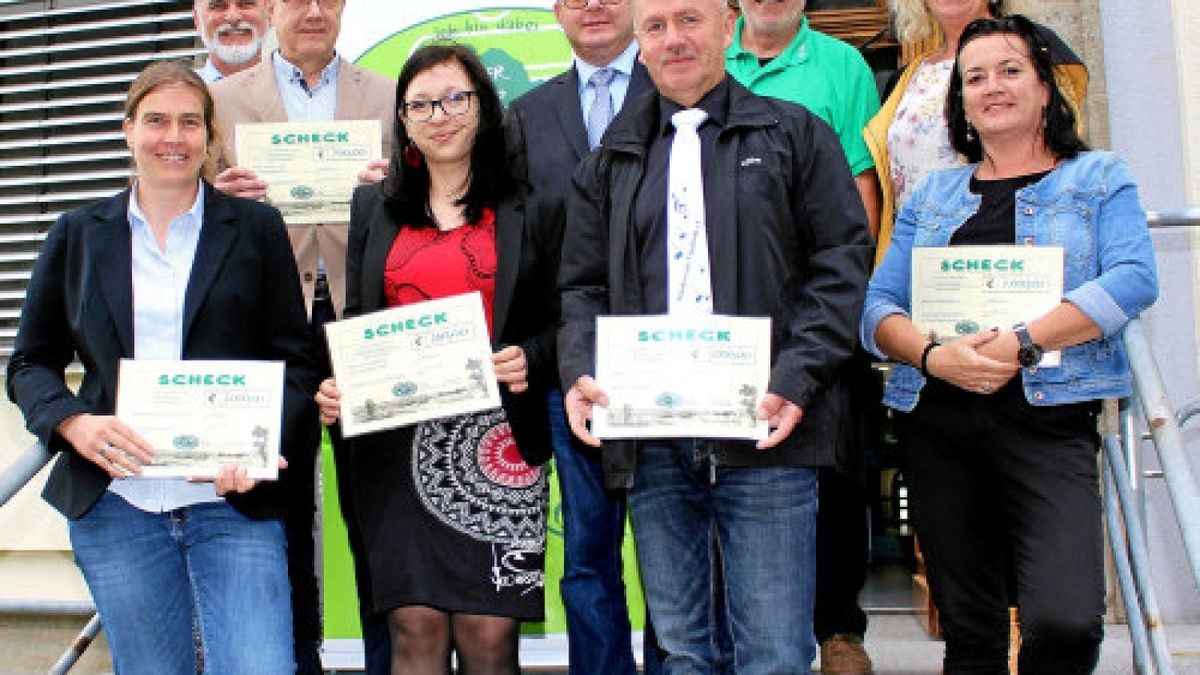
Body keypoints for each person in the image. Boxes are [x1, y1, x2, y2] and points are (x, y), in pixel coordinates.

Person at [557, 0, 872, 670]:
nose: (674, 39)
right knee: (681, 647)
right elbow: (581, 286)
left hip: (768, 432)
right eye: (656, 26)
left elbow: (842, 260)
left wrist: (797, 376)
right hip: (653, 439)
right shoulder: (612, 158)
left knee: (775, 650)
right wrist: (581, 368)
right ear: (638, 44)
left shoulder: (795, 135)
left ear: (727, 29)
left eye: (690, 19)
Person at [860, 15, 1158, 673]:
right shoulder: (933, 195)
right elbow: (878, 308)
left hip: (1050, 418)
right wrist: (935, 355)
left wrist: (1022, 342)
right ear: (960, 100)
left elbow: (1134, 278)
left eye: (1010, 70)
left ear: (1046, 87)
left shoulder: (1098, 178)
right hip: (939, 421)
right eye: (974, 77)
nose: (991, 86)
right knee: (971, 631)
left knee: (1067, 620)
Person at [5, 60, 318, 674]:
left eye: (188, 123)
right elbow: (31, 363)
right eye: (155, 121)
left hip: (232, 503)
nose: (172, 137)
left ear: (209, 136)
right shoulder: (76, 235)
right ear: (128, 131)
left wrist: (258, 448)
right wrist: (73, 423)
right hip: (119, 505)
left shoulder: (255, 229)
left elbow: (296, 361)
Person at [314, 43, 557, 674]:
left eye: (455, 97)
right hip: (395, 443)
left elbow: (570, 316)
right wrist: (339, 383)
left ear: (483, 105)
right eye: (420, 103)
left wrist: (532, 356)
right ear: (403, 119)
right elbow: (360, 318)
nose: (439, 114)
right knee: (413, 630)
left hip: (499, 443)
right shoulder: (373, 206)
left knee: (487, 633)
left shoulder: (535, 205)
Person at [209, 0, 396, 670]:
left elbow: (429, 200)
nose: (313, 10)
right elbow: (166, 195)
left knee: (378, 517)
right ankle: (296, 660)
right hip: (267, 330)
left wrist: (394, 188)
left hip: (364, 321)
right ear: (271, 9)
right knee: (276, 513)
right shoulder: (218, 100)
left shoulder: (390, 93)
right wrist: (216, 192)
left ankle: (388, 661)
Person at [505, 1, 661, 672]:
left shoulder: (680, 90)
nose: (593, 5)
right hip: (572, 368)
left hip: (672, 366)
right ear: (556, 12)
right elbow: (515, 245)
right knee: (588, 557)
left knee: (673, 551)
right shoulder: (527, 115)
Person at [724, 2, 880, 671]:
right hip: (721, 325)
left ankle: (839, 629)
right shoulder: (699, 52)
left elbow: (861, 187)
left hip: (811, 310)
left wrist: (842, 302)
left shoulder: (842, 65)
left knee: (836, 474)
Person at [863, 0, 1086, 265]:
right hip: (922, 258)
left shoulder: (1034, 49)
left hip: (1010, 254)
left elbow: (1059, 144)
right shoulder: (905, 79)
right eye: (976, 78)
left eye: (1009, 71)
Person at [193, 0, 270, 83]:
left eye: (246, 4)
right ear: (197, 20)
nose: (233, 17)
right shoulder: (182, 93)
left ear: (270, 13)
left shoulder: (284, 87)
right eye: (218, 6)